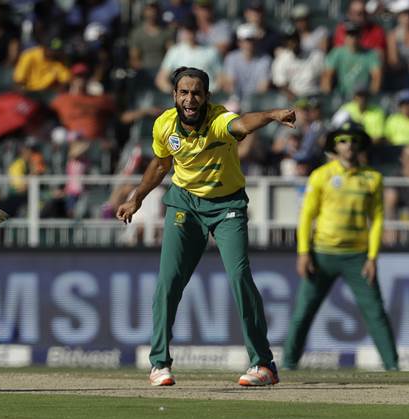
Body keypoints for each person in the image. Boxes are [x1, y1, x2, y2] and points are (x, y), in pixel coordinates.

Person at [115, 66, 295, 387]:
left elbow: (243, 124)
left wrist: (271, 115)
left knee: (239, 277)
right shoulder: (164, 125)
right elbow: (160, 164)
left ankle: (263, 364)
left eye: (196, 93)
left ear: (207, 96)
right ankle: (159, 364)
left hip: (227, 205)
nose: (190, 99)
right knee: (168, 281)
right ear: (174, 95)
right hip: (184, 204)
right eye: (184, 92)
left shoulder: (219, 119)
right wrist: (136, 198)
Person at [282, 121, 399, 371]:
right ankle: (288, 365)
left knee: (375, 312)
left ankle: (393, 367)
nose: (349, 145)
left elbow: (377, 219)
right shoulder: (321, 175)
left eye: (354, 141)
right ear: (335, 146)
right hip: (322, 255)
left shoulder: (373, 178)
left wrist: (372, 257)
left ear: (361, 145)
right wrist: (303, 252)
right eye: (343, 141)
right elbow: (307, 216)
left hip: (357, 257)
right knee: (303, 312)